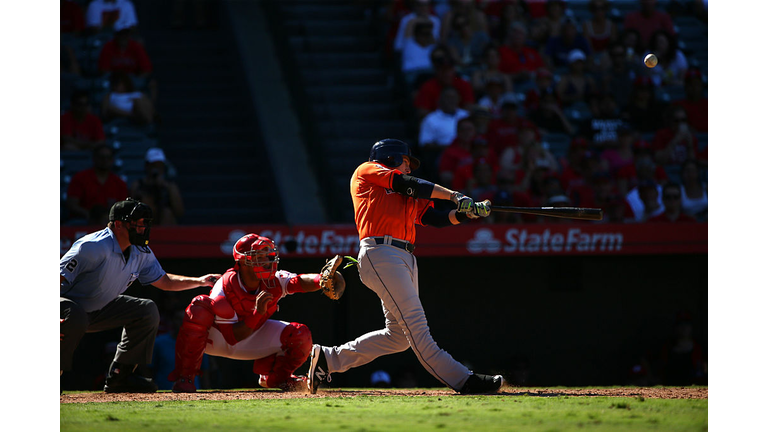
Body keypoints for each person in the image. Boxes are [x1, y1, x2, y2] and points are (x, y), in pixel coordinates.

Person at [306, 139, 503, 395]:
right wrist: (456, 196)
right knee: (419, 330)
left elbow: (436, 218)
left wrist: (467, 213)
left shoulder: (407, 193)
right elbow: (405, 183)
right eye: (406, 161)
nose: (409, 168)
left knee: (398, 337)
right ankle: (464, 380)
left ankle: (329, 360)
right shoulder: (368, 170)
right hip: (381, 253)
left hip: (404, 257)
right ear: (389, 157)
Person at [60, 198, 221, 392]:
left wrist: (200, 281)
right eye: (138, 222)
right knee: (75, 314)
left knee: (146, 310)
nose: (143, 227)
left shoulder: (140, 251)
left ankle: (121, 376)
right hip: (67, 306)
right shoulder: (92, 246)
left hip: (97, 309)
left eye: (145, 222)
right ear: (118, 224)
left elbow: (165, 282)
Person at [168, 234, 343, 392]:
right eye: (260, 257)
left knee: (300, 334)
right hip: (219, 340)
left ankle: (278, 379)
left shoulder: (272, 280)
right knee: (199, 306)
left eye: (268, 256)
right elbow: (232, 338)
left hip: (251, 335)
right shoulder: (225, 287)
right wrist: (258, 313)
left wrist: (322, 280)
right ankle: (186, 377)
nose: (267, 261)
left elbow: (298, 282)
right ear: (244, 261)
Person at [65, 144, 128, 225]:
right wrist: (89, 215)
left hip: (111, 222)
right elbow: (71, 204)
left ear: (112, 160)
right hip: (85, 220)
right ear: (94, 158)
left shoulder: (119, 183)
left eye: (108, 157)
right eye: (101, 157)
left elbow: (123, 208)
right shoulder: (80, 178)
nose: (105, 160)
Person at [418, 86, 470, 180]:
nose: (451, 100)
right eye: (448, 97)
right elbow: (425, 144)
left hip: (468, 151)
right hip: (444, 154)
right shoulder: (430, 119)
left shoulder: (465, 115)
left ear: (459, 99)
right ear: (440, 100)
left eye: (454, 97)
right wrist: (449, 148)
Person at [129, 148, 185, 226]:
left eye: (160, 165)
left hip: (164, 225)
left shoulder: (170, 186)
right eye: (154, 165)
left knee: (167, 212)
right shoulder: (137, 185)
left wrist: (167, 189)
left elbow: (179, 212)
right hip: (143, 226)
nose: (157, 169)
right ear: (147, 166)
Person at [672, 69, 707, 133]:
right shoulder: (678, 105)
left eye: (697, 84)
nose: (694, 88)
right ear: (686, 87)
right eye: (691, 84)